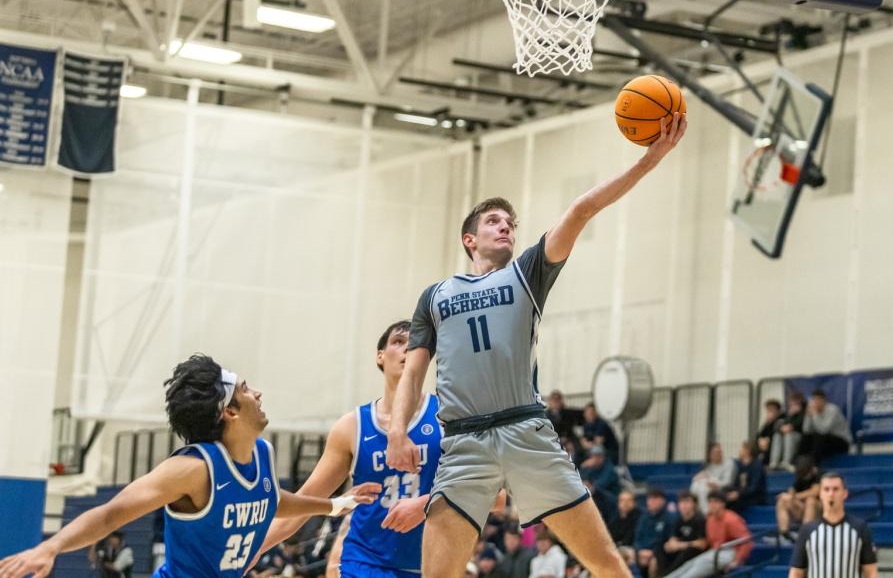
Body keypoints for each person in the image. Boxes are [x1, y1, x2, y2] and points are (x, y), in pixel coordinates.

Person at [387, 113, 687, 578]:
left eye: (510, 222)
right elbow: (413, 373)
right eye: (493, 221)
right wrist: (397, 430)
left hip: (527, 433)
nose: (506, 226)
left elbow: (582, 209)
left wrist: (650, 160)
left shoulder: (527, 272)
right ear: (470, 239)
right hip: (464, 441)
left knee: (606, 563)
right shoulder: (436, 295)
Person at [0, 354, 377, 578]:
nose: (257, 393)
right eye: (246, 389)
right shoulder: (193, 469)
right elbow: (110, 514)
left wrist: (334, 505)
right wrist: (50, 548)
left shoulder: (262, 454)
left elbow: (272, 500)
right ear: (229, 411)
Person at [261, 321, 441, 578]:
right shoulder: (352, 427)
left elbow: (494, 497)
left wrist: (426, 504)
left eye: (415, 344)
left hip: (429, 563)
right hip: (365, 563)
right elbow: (308, 499)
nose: (407, 349)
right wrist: (252, 551)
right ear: (380, 356)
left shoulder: (445, 416)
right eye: (399, 342)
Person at [789, 472, 877, 578]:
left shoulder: (860, 528)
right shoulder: (807, 530)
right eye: (826, 489)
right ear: (820, 494)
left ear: (845, 493)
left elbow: (870, 571)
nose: (831, 494)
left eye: (835, 489)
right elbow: (796, 572)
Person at [664, 492, 750, 578]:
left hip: (731, 551)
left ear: (723, 504)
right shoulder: (710, 518)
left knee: (697, 568)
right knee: (690, 564)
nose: (712, 505)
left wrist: (737, 561)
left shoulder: (731, 519)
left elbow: (746, 541)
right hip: (715, 551)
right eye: (710, 502)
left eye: (716, 502)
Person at [658, 492, 706, 578]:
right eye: (681, 502)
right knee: (661, 547)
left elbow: (702, 544)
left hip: (695, 552)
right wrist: (670, 544)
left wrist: (680, 545)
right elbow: (673, 537)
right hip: (681, 550)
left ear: (694, 504)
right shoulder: (678, 519)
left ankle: (668, 575)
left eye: (687, 502)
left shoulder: (700, 520)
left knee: (688, 551)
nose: (684, 505)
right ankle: (661, 575)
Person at [799, 390, 852, 464]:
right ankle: (800, 464)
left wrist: (814, 414)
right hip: (824, 443)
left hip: (842, 442)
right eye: (814, 400)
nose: (815, 402)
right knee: (806, 437)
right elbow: (806, 430)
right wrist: (808, 415)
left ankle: (814, 466)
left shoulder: (832, 410)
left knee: (819, 436)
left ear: (824, 400)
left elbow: (823, 430)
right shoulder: (812, 409)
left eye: (818, 400)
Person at [775, 456, 820, 539]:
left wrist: (793, 497)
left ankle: (804, 536)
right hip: (803, 509)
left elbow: (814, 492)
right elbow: (792, 490)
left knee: (811, 501)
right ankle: (784, 535)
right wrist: (790, 497)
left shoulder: (820, 475)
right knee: (782, 500)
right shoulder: (801, 476)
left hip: (819, 510)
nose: (804, 477)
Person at [634, 488, 671, 577]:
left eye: (655, 499)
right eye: (649, 499)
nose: (651, 501)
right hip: (642, 552)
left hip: (659, 554)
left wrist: (652, 553)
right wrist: (640, 551)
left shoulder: (669, 519)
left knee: (654, 563)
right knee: (626, 556)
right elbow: (637, 538)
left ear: (663, 501)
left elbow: (665, 540)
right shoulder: (643, 518)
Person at [690, 442, 735, 514]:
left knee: (703, 486)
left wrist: (715, 484)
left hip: (723, 487)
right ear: (710, 454)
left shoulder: (729, 463)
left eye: (719, 452)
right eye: (715, 452)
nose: (718, 454)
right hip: (710, 486)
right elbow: (704, 477)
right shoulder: (709, 465)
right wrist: (697, 478)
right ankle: (695, 510)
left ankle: (706, 513)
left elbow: (728, 482)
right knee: (696, 484)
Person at [727, 441, 767, 514]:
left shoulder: (757, 466)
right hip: (743, 494)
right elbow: (736, 484)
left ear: (748, 451)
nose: (739, 451)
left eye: (742, 449)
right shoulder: (741, 466)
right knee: (723, 494)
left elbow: (754, 488)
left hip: (755, 497)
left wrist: (738, 494)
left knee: (733, 503)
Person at [772, 392, 807, 471]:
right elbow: (777, 425)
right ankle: (774, 462)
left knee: (788, 435)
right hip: (788, 435)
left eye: (795, 403)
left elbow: (800, 425)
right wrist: (782, 428)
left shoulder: (804, 413)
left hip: (800, 437)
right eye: (791, 404)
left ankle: (787, 462)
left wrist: (791, 425)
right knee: (777, 435)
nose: (792, 406)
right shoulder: (788, 414)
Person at [757, 400, 785, 467]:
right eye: (768, 410)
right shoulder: (768, 423)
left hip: (777, 450)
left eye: (771, 410)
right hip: (766, 450)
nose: (769, 412)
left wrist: (766, 441)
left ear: (778, 411)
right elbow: (759, 435)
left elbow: (775, 433)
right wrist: (760, 440)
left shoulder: (782, 419)